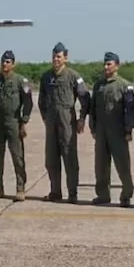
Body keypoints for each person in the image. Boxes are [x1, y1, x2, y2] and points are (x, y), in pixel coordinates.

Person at [37, 42, 90, 203]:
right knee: (51, 158)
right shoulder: (46, 77)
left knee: (69, 157)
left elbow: (85, 98)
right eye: (54, 56)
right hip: (51, 122)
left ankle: (72, 193)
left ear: (65, 58)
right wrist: (45, 117)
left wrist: (81, 118)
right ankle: (55, 191)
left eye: (59, 57)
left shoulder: (73, 76)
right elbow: (41, 100)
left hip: (67, 120)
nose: (55, 59)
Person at [88, 52, 134, 207]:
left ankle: (126, 195)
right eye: (105, 64)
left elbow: (130, 110)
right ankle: (103, 195)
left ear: (117, 65)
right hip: (102, 131)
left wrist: (129, 130)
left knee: (122, 165)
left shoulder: (124, 86)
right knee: (101, 165)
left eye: (109, 64)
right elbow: (93, 108)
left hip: (118, 131)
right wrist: (93, 127)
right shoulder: (98, 85)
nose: (106, 67)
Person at [0, 50, 33, 201]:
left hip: (14, 122)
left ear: (13, 64)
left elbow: (28, 102)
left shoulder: (21, 81)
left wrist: (24, 122)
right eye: (3, 61)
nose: (5, 64)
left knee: (17, 156)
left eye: (8, 62)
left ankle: (20, 188)